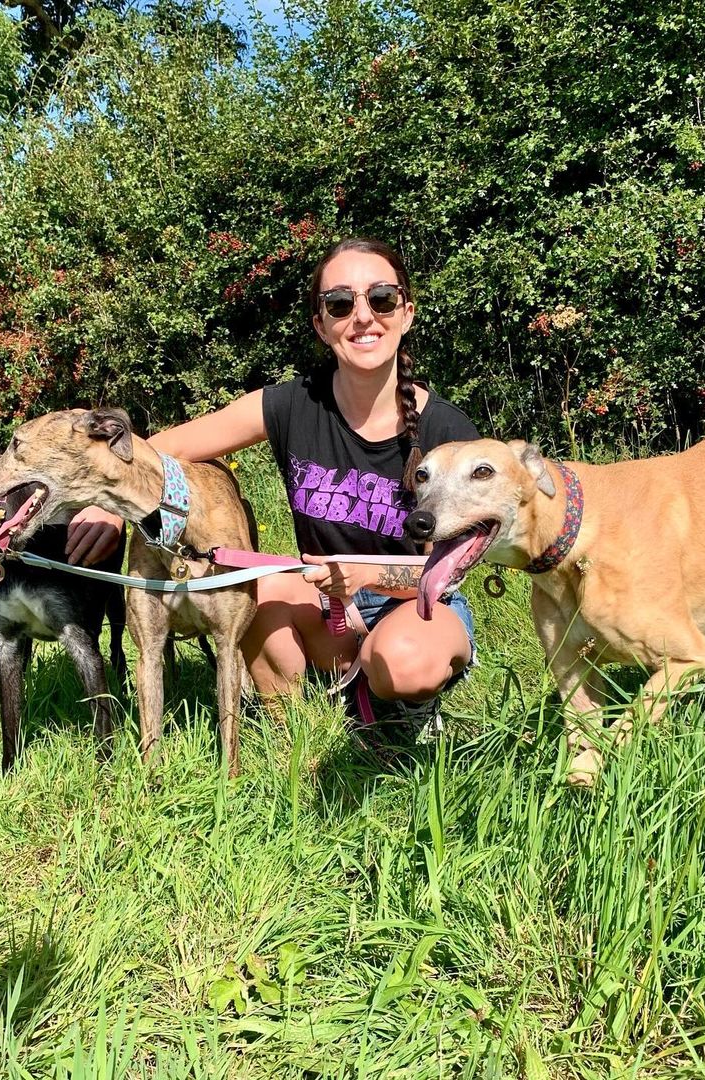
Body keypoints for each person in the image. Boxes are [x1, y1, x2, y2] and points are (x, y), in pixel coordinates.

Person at [65, 238, 481, 723]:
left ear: (406, 313)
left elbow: (450, 569)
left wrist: (367, 577)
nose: (362, 316)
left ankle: (403, 706)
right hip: (326, 600)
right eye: (341, 303)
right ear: (321, 325)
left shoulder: (448, 432)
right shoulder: (289, 405)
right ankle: (295, 737)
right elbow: (160, 450)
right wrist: (110, 503)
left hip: (419, 601)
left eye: (381, 298)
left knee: (406, 661)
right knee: (253, 600)